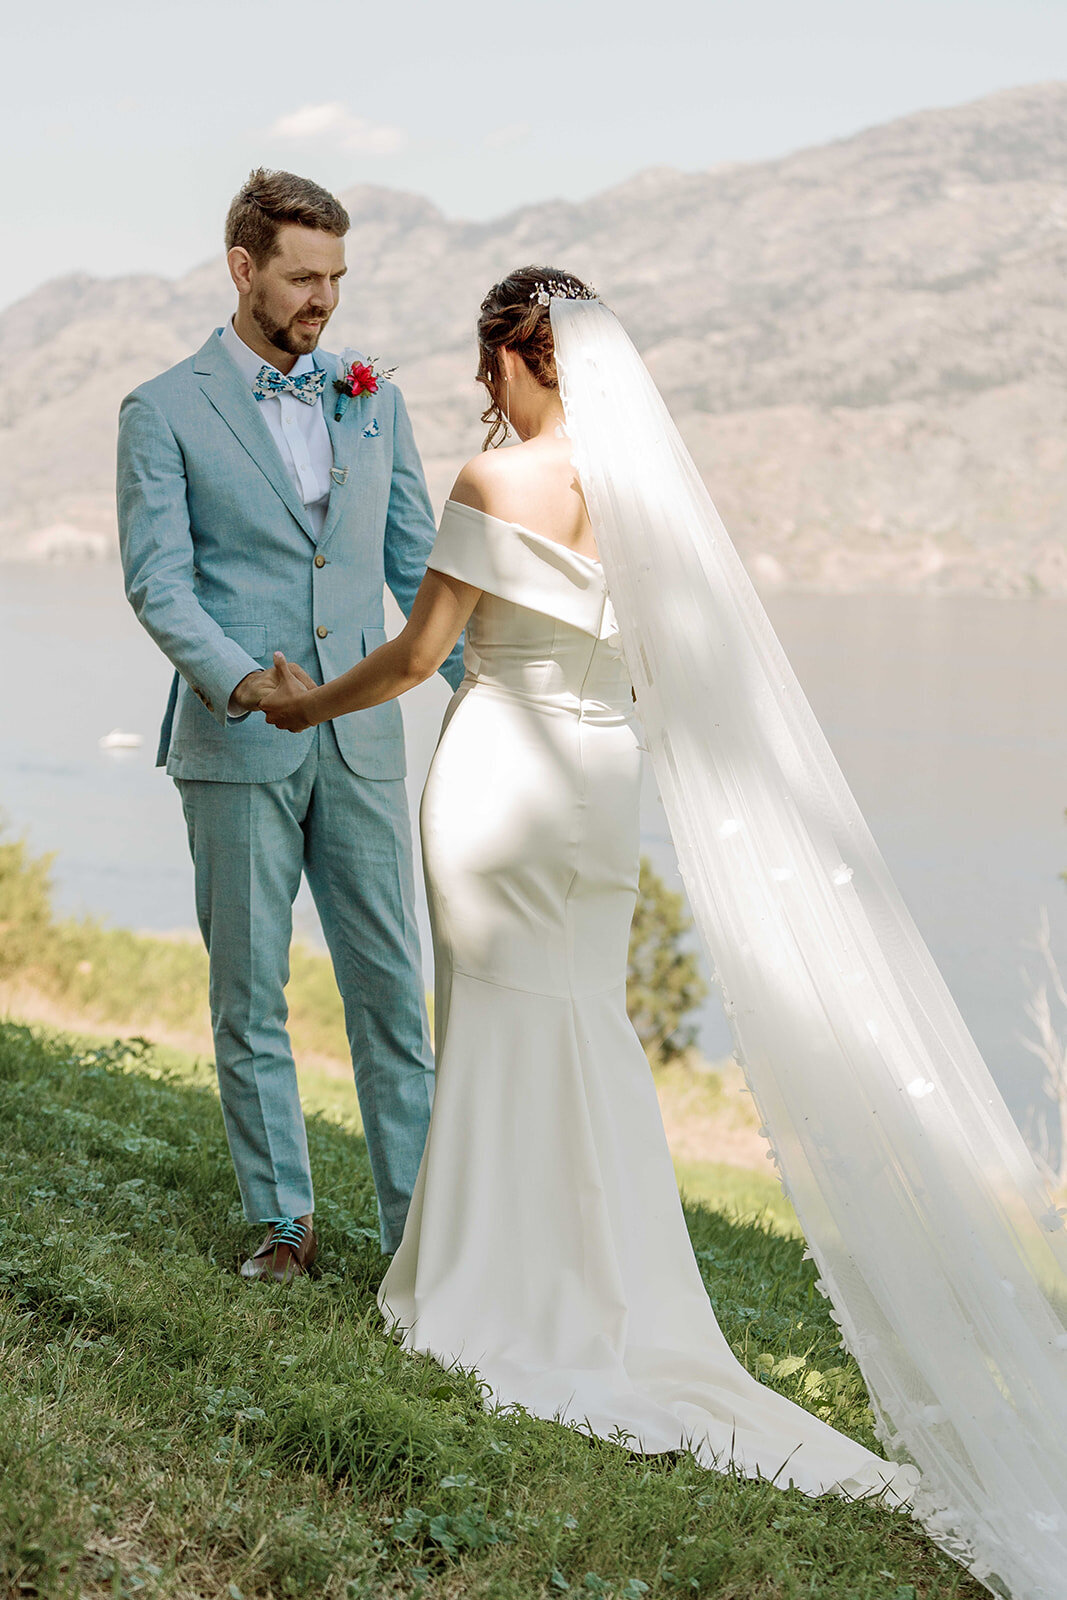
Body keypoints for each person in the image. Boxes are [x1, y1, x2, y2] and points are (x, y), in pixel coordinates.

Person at [258, 265, 922, 1508]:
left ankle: (486, 1283)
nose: (478, 390)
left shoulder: (496, 479)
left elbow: (415, 657)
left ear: (518, 358)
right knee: (580, 1018)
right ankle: (602, 1285)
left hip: (500, 772)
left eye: (485, 366)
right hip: (600, 779)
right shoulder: (647, 502)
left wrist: (301, 700)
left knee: (497, 1017)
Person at [116, 168, 464, 1282]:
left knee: (388, 992)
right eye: (301, 276)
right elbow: (160, 583)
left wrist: (487, 682)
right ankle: (285, 1225)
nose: (323, 300)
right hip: (235, 742)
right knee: (249, 991)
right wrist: (237, 681)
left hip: (361, 738)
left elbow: (415, 567)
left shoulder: (377, 399)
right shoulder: (160, 410)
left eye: (336, 279)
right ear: (242, 268)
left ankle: (417, 1233)